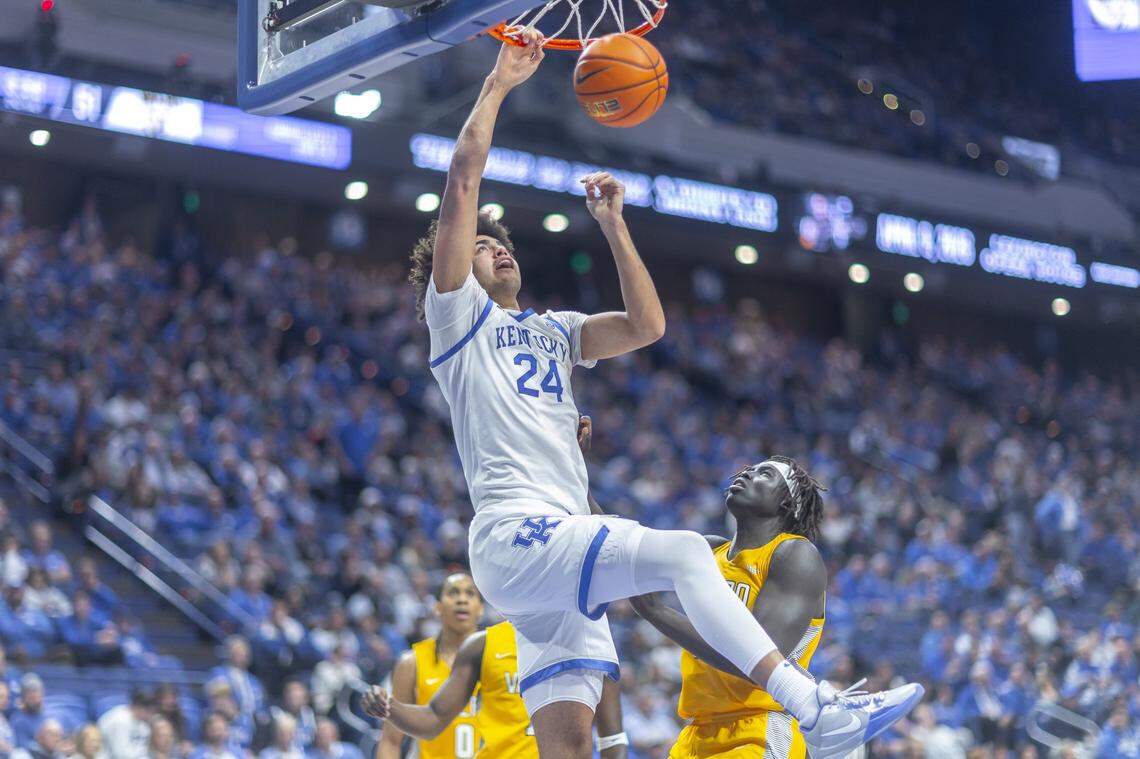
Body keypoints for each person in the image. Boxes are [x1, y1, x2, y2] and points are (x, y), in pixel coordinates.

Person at [412, 29, 920, 759]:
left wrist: (614, 228)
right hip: (520, 534)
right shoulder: (456, 317)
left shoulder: (554, 330)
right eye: (483, 245)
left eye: (504, 241)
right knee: (685, 552)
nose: (500, 246)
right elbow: (462, 181)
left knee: (568, 740)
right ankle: (817, 708)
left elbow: (647, 325)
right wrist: (498, 84)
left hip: (549, 551)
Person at [629, 457, 831, 757]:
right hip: (696, 731)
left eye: (765, 474)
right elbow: (626, 544)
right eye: (747, 469)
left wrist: (657, 612)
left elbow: (755, 660)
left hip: (759, 728)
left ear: (787, 503)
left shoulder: (795, 555)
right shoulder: (709, 550)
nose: (747, 473)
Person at [364, 618, 629, 759]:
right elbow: (433, 719)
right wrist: (391, 708)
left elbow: (613, 741)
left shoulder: (593, 645)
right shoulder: (483, 644)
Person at [373, 573, 483, 759]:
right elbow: (391, 740)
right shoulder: (412, 662)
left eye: (470, 594)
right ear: (437, 606)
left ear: (481, 608)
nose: (462, 600)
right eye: (453, 593)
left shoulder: (500, 658)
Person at [96, 688, 153, 759]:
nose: (149, 716)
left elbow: (142, 750)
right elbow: (121, 755)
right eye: (148, 712)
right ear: (138, 707)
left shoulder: (141, 724)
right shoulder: (120, 720)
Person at [11, 673, 47, 749]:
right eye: (28, 692)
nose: (33, 695)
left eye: (35, 691)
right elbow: (22, 748)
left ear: (42, 693)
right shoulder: (18, 720)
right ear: (22, 697)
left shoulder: (48, 715)